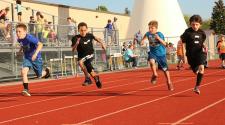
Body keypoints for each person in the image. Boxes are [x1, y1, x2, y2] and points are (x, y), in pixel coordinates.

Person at [16, 23, 50, 96]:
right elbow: (22, 45)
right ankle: (26, 90)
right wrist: (19, 52)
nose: (17, 33)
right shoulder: (19, 39)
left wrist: (35, 54)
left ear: (25, 32)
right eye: (16, 32)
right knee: (23, 72)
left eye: (19, 31)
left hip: (36, 58)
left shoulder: (30, 38)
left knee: (39, 75)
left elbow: (40, 44)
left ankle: (47, 72)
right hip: (27, 58)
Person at [141, 20, 174, 91]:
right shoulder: (148, 33)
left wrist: (158, 38)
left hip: (161, 54)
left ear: (156, 28)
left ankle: (169, 82)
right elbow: (144, 36)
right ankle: (155, 74)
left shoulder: (160, 34)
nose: (150, 30)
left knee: (165, 70)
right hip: (153, 52)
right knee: (151, 61)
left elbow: (165, 44)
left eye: (152, 28)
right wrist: (142, 41)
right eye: (149, 28)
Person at [71, 22, 106, 88]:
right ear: (78, 30)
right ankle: (96, 78)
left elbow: (97, 39)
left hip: (90, 54)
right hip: (81, 56)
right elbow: (73, 50)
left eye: (84, 30)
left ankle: (88, 79)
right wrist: (76, 44)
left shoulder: (89, 35)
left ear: (86, 29)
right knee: (91, 71)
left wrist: (102, 44)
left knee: (80, 62)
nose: (83, 32)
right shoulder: (75, 38)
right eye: (81, 30)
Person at [181, 15, 207, 95]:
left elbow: (202, 42)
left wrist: (204, 45)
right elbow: (182, 42)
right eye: (193, 24)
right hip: (190, 55)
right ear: (190, 24)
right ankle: (197, 76)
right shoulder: (187, 32)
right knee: (196, 71)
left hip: (200, 53)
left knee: (202, 68)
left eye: (197, 24)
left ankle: (197, 87)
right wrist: (183, 55)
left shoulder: (202, 32)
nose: (195, 26)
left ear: (200, 25)